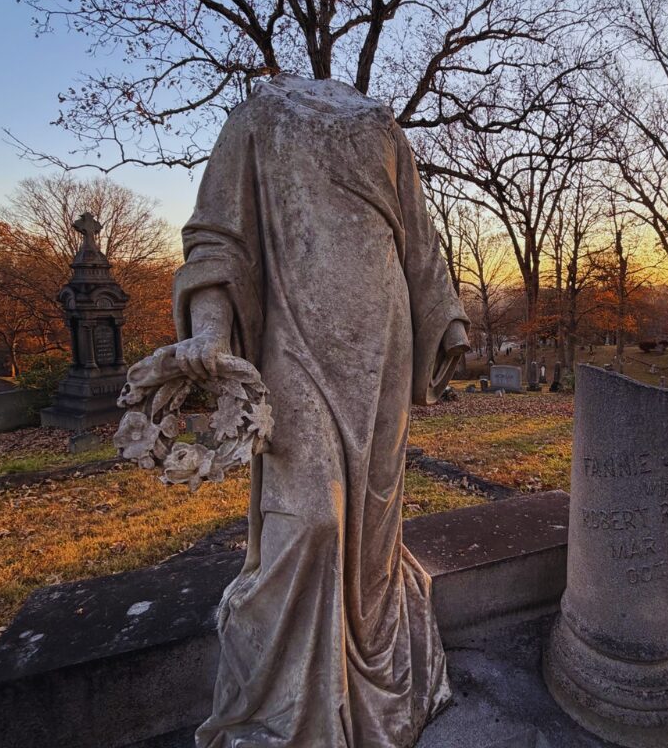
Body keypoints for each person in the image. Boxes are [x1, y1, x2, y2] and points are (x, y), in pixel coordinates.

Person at [171, 75, 469, 748]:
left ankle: (364, 684)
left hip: (383, 347)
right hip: (294, 345)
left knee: (373, 542)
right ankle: (292, 707)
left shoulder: (384, 124)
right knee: (311, 520)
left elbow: (418, 239)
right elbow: (216, 239)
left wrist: (445, 316)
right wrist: (210, 329)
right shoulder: (256, 117)